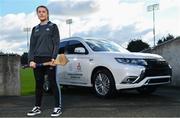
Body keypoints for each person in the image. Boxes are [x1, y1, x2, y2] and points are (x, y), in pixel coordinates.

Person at [27, 5, 62, 117]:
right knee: (38, 84)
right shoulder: (34, 29)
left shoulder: (53, 26)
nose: (41, 13)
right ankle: (37, 107)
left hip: (49, 59)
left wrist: (53, 57)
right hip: (37, 60)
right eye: (39, 12)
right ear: (37, 14)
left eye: (43, 12)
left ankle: (57, 107)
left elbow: (56, 44)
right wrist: (31, 60)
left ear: (47, 14)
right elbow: (31, 46)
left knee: (53, 83)